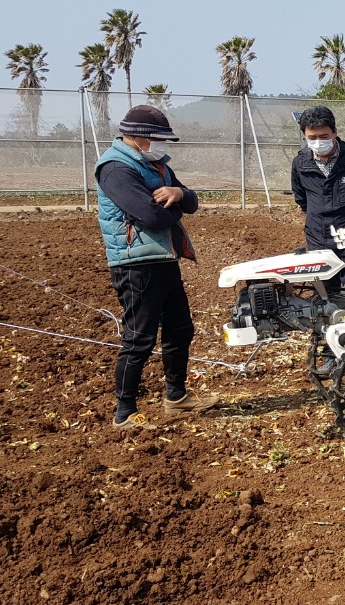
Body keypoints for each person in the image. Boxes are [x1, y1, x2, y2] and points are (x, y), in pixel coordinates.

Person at [95, 105, 216, 428]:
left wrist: (178, 193)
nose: (162, 146)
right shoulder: (115, 168)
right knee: (139, 339)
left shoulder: (156, 165)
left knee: (180, 328)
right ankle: (125, 413)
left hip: (163, 257)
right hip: (134, 263)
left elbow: (191, 201)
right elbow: (151, 216)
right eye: (157, 139)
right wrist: (176, 208)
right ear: (136, 137)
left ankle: (176, 397)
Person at [290, 105, 345, 290]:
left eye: (323, 136)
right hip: (319, 240)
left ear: (334, 132)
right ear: (305, 136)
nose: (318, 142)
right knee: (325, 301)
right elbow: (301, 198)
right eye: (312, 138)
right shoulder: (300, 164)